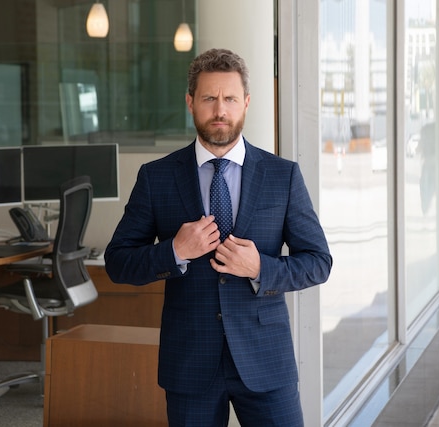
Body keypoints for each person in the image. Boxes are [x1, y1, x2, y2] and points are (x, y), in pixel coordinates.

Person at [104, 48, 332, 427]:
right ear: (191, 103)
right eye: (209, 98)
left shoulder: (282, 175)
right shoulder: (156, 177)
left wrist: (261, 267)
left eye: (229, 99)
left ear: (245, 103)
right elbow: (118, 262)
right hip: (190, 363)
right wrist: (174, 251)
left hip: (265, 361)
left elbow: (318, 262)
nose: (220, 110)